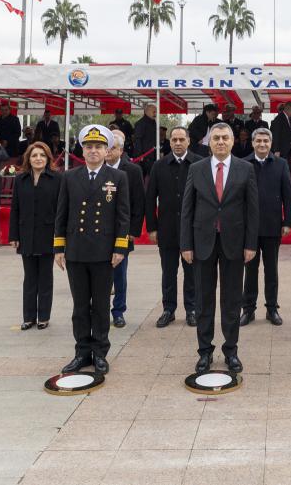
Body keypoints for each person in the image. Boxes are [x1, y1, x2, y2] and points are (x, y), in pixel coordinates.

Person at [181, 122, 258, 374]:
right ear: (209, 142)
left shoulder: (245, 169)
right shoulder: (196, 168)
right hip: (202, 243)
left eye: (225, 137)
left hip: (234, 244)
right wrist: (186, 244)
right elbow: (187, 210)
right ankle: (204, 351)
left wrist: (250, 244)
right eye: (216, 138)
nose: (221, 142)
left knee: (232, 300)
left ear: (233, 141)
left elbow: (252, 210)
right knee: (203, 301)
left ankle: (231, 350)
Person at [54, 125, 128, 374]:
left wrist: (120, 247)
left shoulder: (118, 178)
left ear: (107, 150)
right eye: (89, 147)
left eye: (98, 146)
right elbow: (61, 214)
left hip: (103, 251)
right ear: (82, 150)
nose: (93, 151)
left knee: (100, 305)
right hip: (76, 250)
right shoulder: (69, 177)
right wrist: (59, 247)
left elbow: (122, 216)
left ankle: (100, 352)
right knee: (79, 305)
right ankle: (81, 351)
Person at [145, 125, 197, 327]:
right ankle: (169, 309)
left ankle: (191, 309)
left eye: (181, 140)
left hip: (191, 231)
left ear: (188, 141)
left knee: (192, 272)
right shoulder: (159, 166)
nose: (177, 143)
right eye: (174, 140)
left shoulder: (198, 164)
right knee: (168, 272)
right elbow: (150, 199)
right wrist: (151, 227)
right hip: (166, 229)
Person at [242, 127, 291, 326]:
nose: (262, 144)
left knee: (271, 270)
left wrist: (287, 221)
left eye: (266, 141)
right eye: (259, 141)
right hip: (249, 228)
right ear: (253, 143)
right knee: (250, 270)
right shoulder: (243, 163)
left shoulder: (281, 164)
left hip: (273, 226)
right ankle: (248, 309)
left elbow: (288, 195)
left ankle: (272, 309)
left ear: (271, 143)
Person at [11, 142, 60, 329]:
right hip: (26, 235)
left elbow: (60, 210)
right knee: (29, 278)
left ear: (48, 158)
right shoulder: (21, 179)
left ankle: (44, 317)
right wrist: (14, 235)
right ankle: (28, 317)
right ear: (28, 159)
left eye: (42, 155)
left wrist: (60, 237)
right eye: (34, 155)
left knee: (45, 278)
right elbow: (15, 208)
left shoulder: (57, 179)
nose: (38, 158)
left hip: (48, 234)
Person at [106, 129, 145, 328]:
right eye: (107, 148)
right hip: (100, 232)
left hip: (123, 231)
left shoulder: (132, 170)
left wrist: (133, 231)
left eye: (112, 148)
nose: (108, 152)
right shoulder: (97, 169)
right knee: (101, 274)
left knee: (120, 274)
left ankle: (118, 310)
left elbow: (139, 203)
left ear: (120, 150)